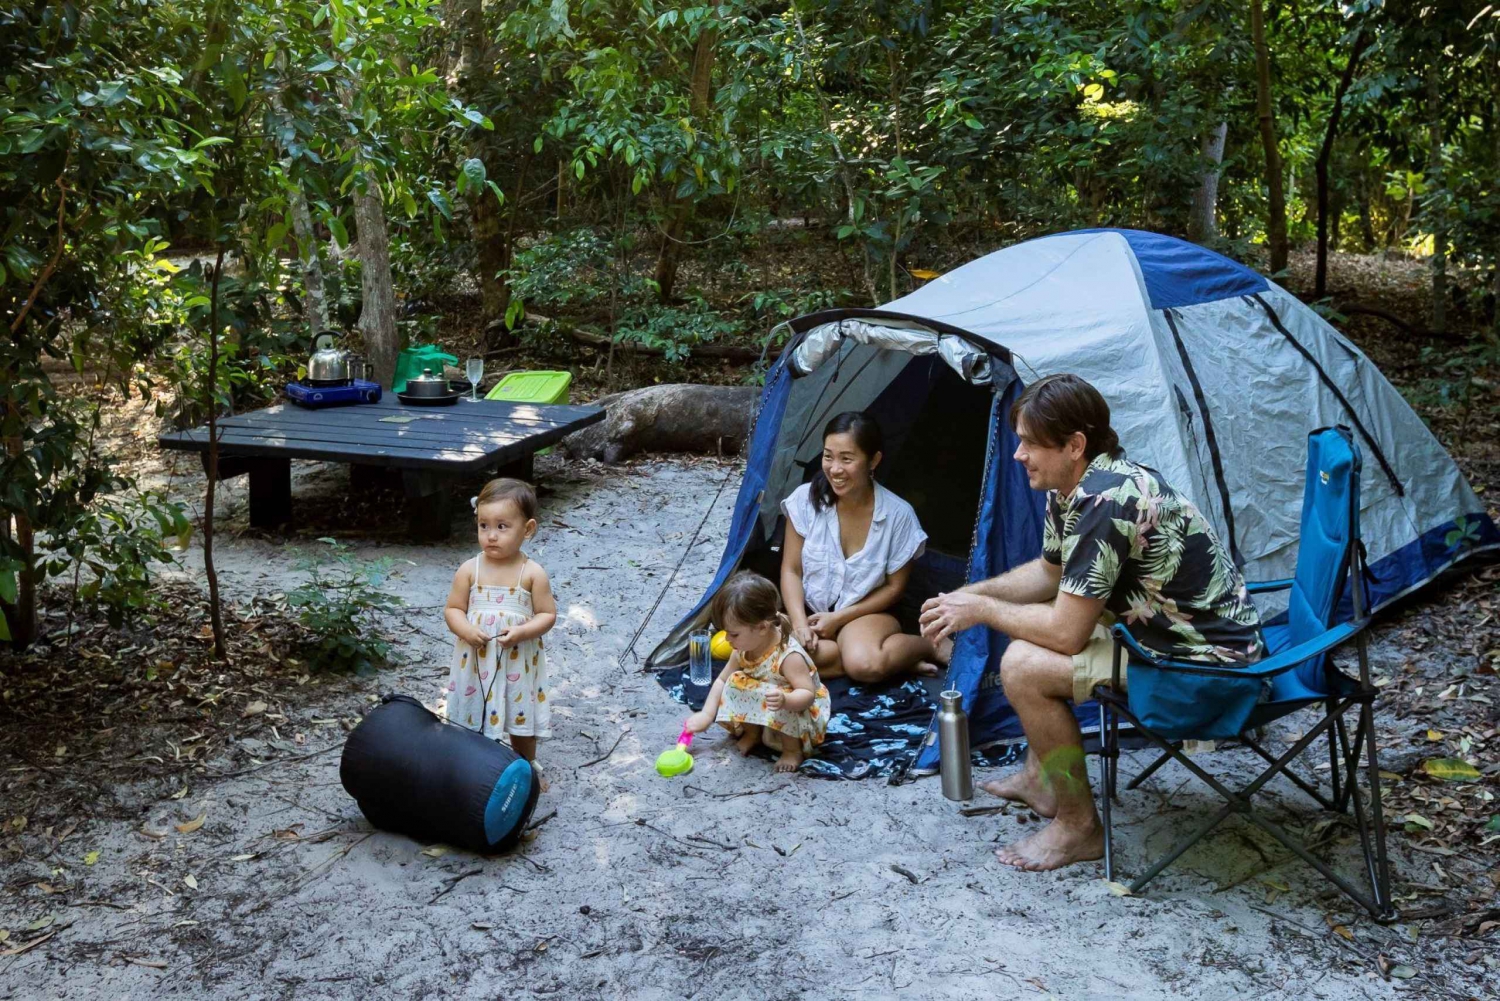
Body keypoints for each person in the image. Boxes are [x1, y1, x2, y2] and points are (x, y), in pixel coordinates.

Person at [920, 374, 1263, 872]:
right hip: (1160, 636)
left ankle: (1078, 827)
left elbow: (1065, 633)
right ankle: (1042, 780)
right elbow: (1049, 572)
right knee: (1026, 634)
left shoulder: (1108, 501)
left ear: (1074, 445)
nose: (1019, 455)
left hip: (1203, 665)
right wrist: (969, 595)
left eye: (1030, 444)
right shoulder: (1074, 485)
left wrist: (984, 612)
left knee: (1024, 665)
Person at [780, 411, 945, 684]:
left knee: (863, 665)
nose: (834, 469)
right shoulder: (805, 500)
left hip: (867, 614)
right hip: (810, 614)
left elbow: (895, 588)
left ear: (873, 461)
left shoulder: (898, 515)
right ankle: (896, 660)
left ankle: (929, 645)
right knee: (770, 653)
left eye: (846, 458)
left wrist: (838, 619)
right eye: (828, 456)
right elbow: (791, 570)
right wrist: (798, 624)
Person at [444, 477, 559, 791]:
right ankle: (468, 764)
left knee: (519, 713)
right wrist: (466, 629)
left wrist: (522, 632)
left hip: (516, 659)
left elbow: (548, 615)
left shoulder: (532, 573)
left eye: (502, 527)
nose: (491, 536)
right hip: (475, 660)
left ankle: (526, 765)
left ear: (528, 529)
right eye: (484, 525)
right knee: (470, 711)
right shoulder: (470, 569)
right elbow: (453, 609)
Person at [684, 570, 831, 772]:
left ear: (762, 627)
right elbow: (721, 681)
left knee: (783, 695)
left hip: (799, 712)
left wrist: (786, 700)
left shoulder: (788, 656)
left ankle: (792, 750)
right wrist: (707, 714)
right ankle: (753, 733)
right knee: (735, 680)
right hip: (768, 701)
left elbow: (808, 694)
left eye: (733, 634)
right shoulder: (743, 648)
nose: (727, 640)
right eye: (725, 633)